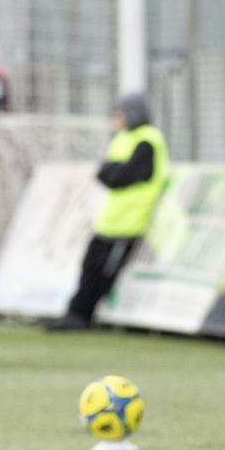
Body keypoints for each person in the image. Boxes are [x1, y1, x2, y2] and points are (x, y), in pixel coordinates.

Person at [48, 93, 169, 330]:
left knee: (104, 272)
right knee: (90, 266)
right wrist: (109, 171)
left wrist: (109, 172)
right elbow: (108, 171)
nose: (117, 118)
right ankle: (76, 312)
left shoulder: (148, 140)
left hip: (131, 220)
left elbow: (118, 175)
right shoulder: (125, 138)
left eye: (120, 113)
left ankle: (84, 315)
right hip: (111, 220)